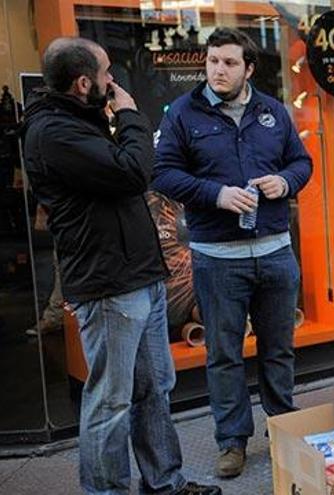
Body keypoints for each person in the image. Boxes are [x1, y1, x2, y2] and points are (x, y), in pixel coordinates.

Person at [21, 37, 220, 495]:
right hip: (109, 286)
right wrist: (130, 114)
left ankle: (164, 483)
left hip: (137, 277)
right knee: (110, 401)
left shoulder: (80, 118)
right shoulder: (54, 132)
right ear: (83, 82)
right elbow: (133, 171)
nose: (114, 82)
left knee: (154, 388)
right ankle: (106, 491)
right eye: (107, 74)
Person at [153, 27, 312, 479]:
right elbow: (163, 173)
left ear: (249, 68)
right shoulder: (185, 113)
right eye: (212, 62)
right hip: (217, 258)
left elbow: (302, 163)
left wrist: (287, 182)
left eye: (228, 63)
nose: (217, 70)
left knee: (278, 350)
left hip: (276, 253)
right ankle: (232, 442)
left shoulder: (273, 111)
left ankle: (284, 428)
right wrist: (216, 195)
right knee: (223, 354)